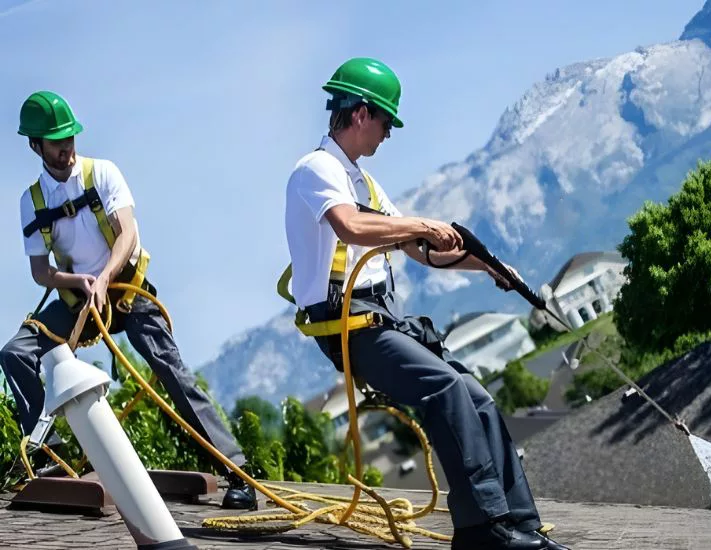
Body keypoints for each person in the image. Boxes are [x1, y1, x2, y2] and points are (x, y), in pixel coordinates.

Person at [281, 58, 570, 550]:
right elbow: (352, 227)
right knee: (447, 390)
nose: (388, 134)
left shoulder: (364, 183)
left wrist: (489, 268)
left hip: (382, 322)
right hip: (350, 328)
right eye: (386, 122)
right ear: (360, 114)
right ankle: (483, 531)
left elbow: (421, 251)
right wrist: (418, 223)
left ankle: (520, 524)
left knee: (476, 395)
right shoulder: (317, 170)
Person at [1, 90, 256, 510]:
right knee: (15, 353)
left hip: (124, 293)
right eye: (55, 142)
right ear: (35, 146)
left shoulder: (101, 173)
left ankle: (238, 472)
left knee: (170, 369)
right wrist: (78, 282)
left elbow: (127, 233)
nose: (66, 148)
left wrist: (103, 279)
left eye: (69, 138)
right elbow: (40, 272)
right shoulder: (32, 201)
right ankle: (52, 457)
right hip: (75, 302)